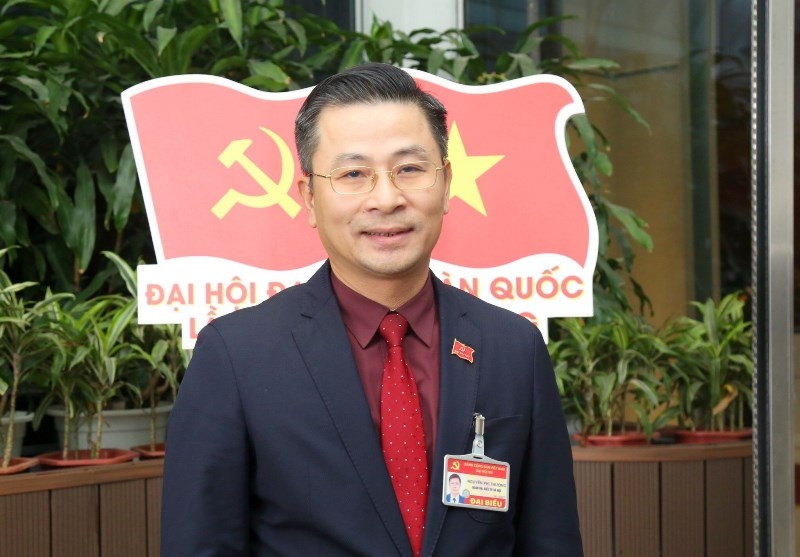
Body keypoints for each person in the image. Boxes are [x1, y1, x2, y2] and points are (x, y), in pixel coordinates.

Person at [160, 62, 583, 557]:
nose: (386, 198)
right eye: (353, 174)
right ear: (309, 197)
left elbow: (550, 541)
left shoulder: (513, 347)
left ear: (446, 183)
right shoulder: (236, 356)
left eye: (410, 169)